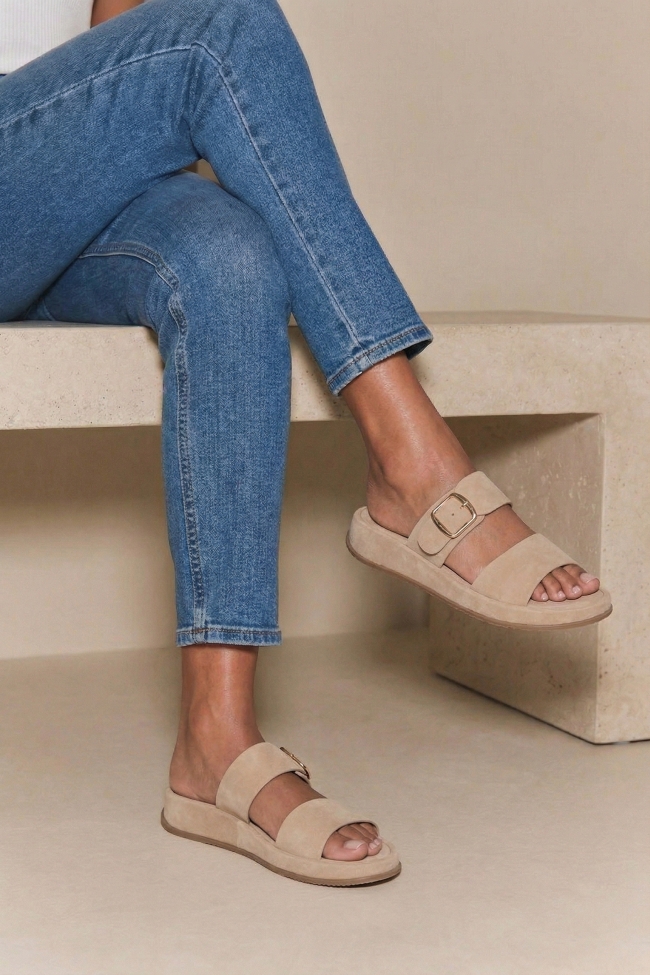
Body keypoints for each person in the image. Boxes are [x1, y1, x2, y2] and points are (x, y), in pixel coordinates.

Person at [0, 0, 610, 886]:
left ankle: (214, 742)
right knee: (227, 25)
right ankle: (413, 466)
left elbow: (125, 33)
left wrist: (120, 123)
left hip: (55, 176)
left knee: (233, 256)